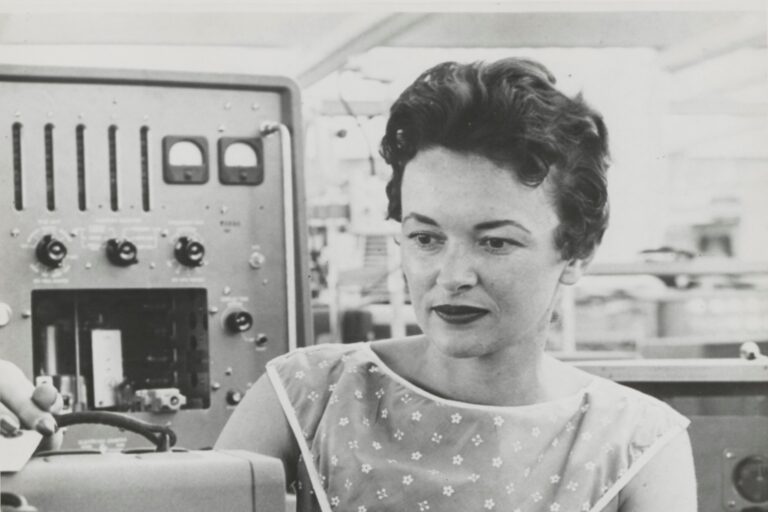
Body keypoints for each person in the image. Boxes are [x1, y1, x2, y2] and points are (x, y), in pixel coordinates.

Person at [0, 57, 696, 511]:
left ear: (574, 252)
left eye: (495, 241)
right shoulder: (304, 395)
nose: (451, 274)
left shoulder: (636, 444)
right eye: (425, 236)